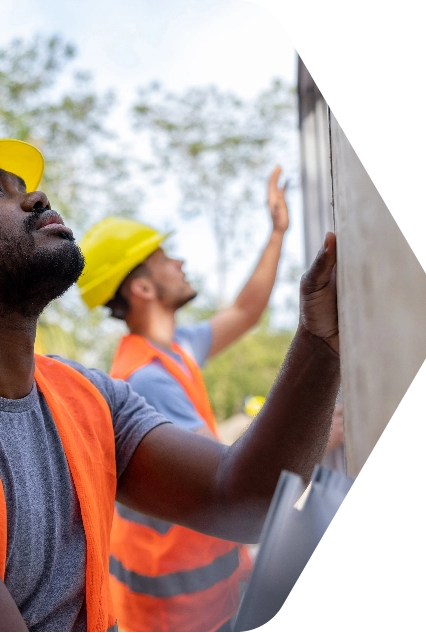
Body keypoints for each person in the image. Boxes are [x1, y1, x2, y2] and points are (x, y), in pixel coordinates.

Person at [0, 140, 341, 632]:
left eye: (25, 187)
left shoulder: (87, 395)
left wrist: (321, 344)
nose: (36, 198)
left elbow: (243, 499)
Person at [77, 168, 290, 631]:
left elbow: (245, 311)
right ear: (144, 289)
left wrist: (277, 233)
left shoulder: (172, 351)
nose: (180, 263)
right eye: (165, 258)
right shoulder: (148, 379)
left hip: (199, 595)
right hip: (179, 611)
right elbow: (228, 479)